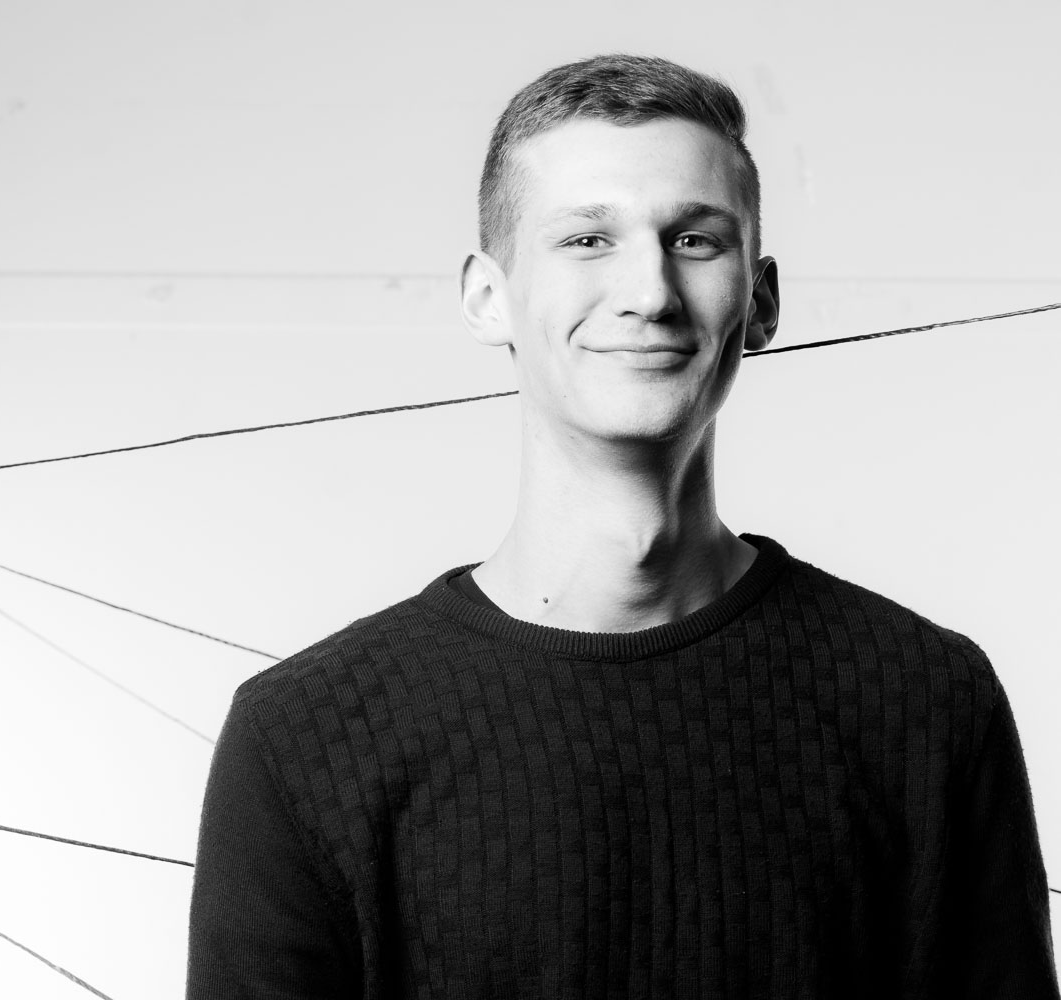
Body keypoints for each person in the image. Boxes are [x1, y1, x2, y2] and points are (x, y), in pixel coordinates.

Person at [185, 54, 1059, 999]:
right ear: (488, 297)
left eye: (694, 239)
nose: (649, 291)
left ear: (760, 301)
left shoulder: (927, 700)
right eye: (587, 239)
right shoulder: (303, 737)